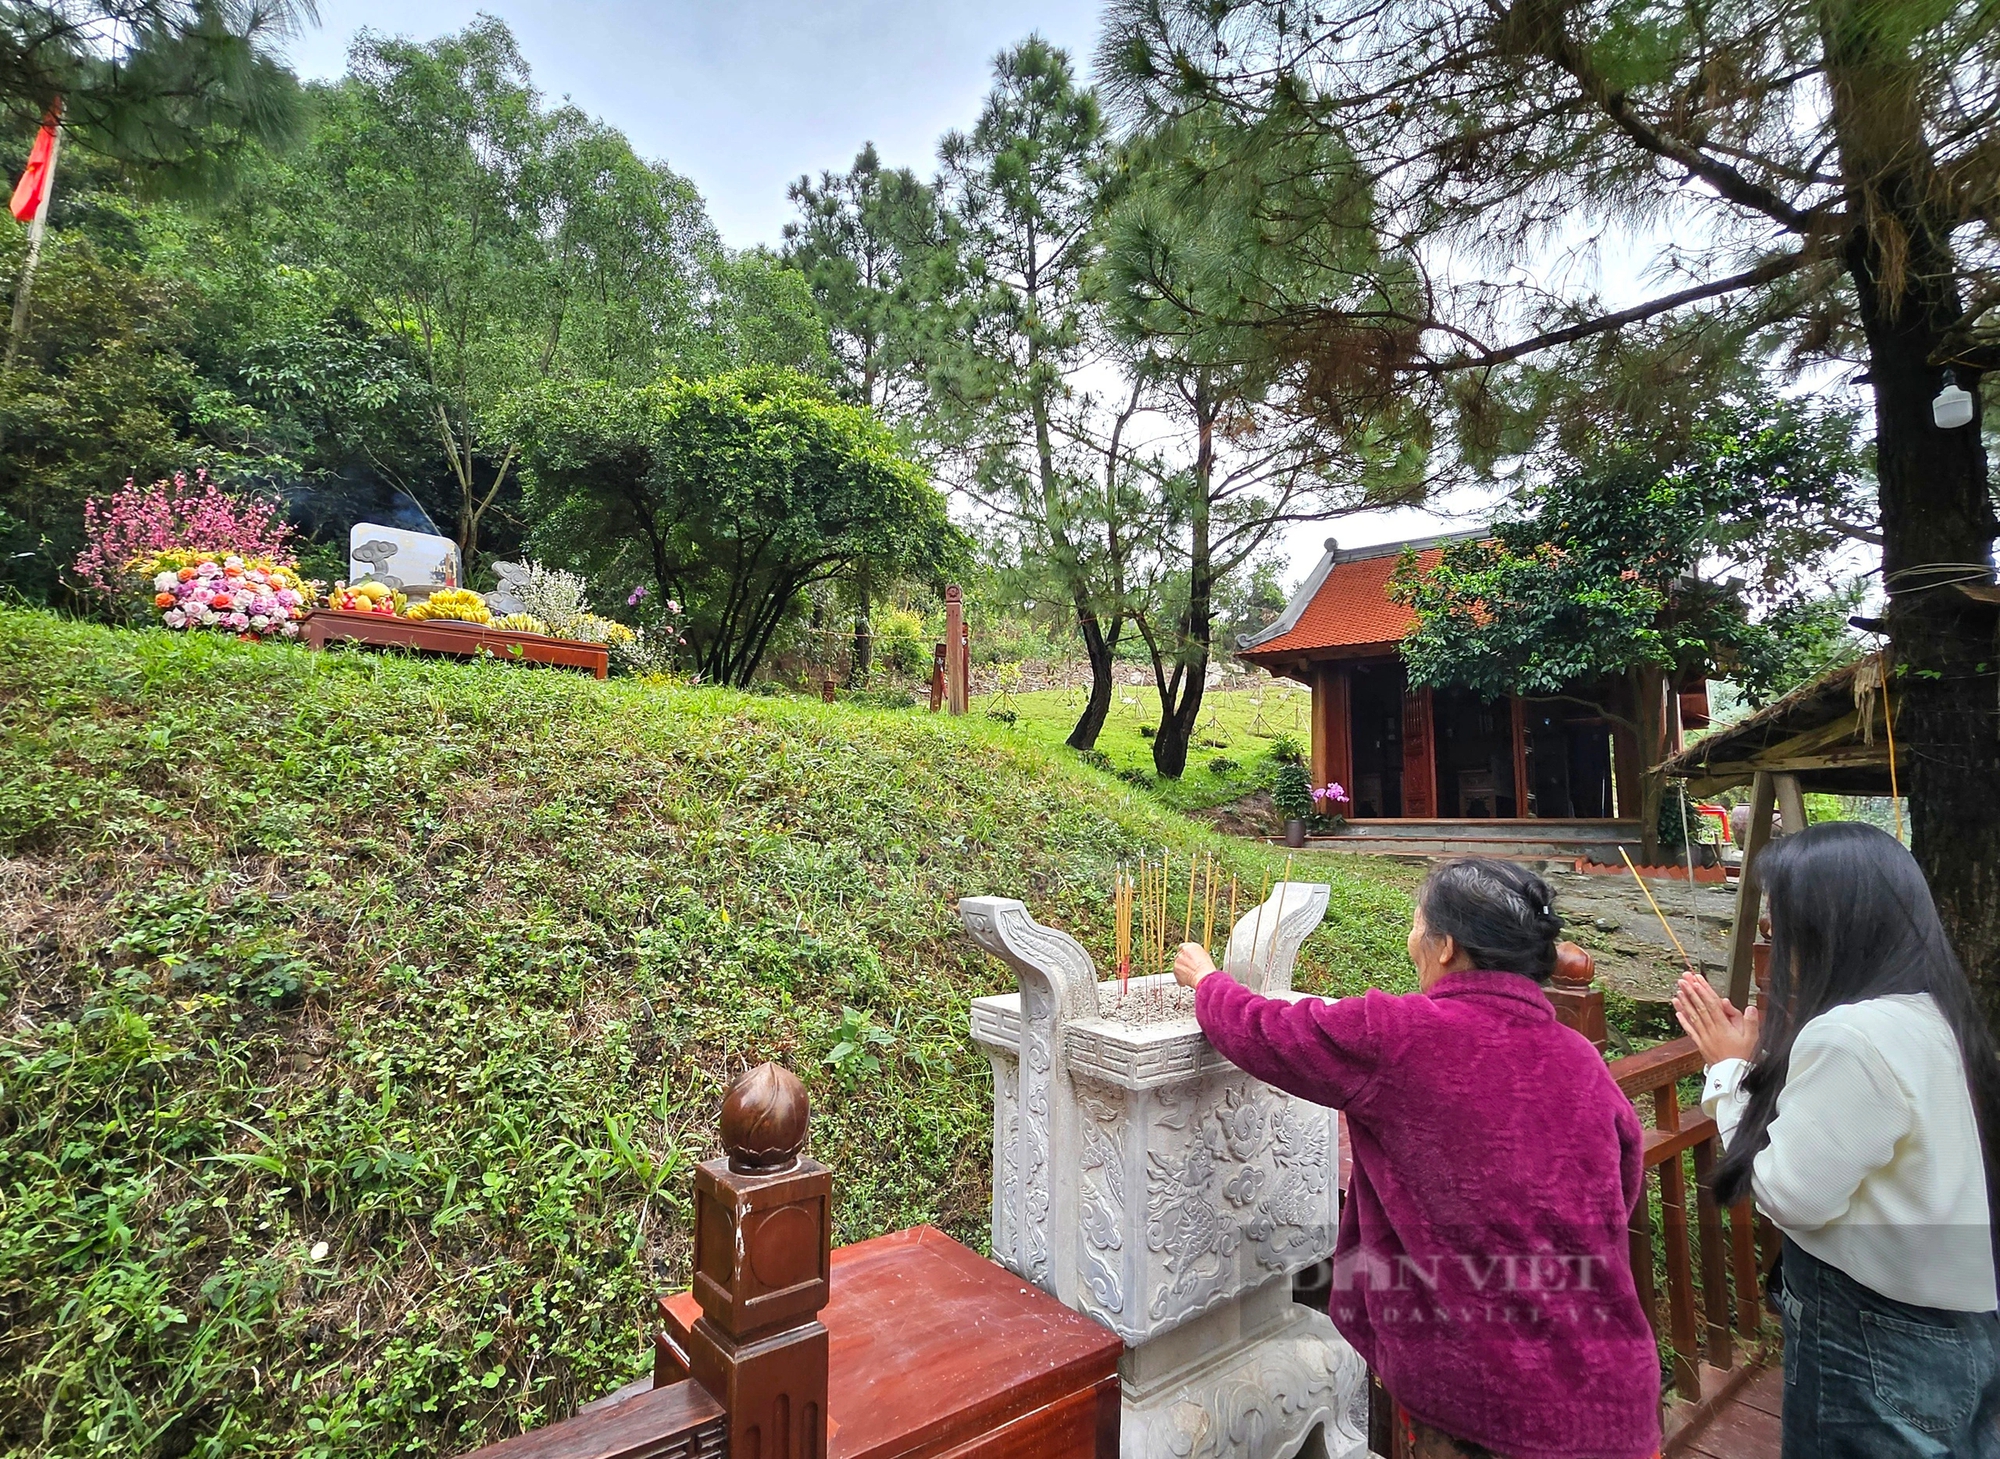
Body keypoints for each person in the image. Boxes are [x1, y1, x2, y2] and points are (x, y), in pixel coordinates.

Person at [1173, 856, 1661, 1459]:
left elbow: (1269, 1030)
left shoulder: (1402, 1034)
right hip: (1613, 1393)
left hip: (1483, 1403)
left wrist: (1207, 981)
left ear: (1447, 946)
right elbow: (1623, 1185)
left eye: (1416, 924)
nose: (1411, 941)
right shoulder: (1581, 1058)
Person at [1674, 821, 2000, 1457]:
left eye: (1779, 930)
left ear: (1828, 929)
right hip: (1963, 1321)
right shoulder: (1934, 1014)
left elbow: (1792, 1197)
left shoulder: (1852, 1035)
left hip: (1877, 1333)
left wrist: (1727, 1069)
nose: (1778, 949)